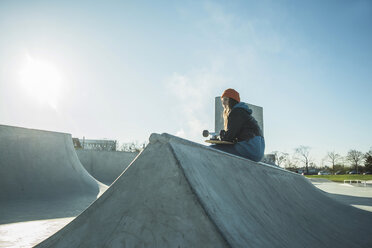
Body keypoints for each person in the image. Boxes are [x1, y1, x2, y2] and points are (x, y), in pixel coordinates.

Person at [211, 88, 265, 162]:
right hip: (259, 150)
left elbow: (229, 138)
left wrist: (222, 136)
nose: (223, 103)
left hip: (250, 147)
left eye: (226, 99)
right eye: (222, 100)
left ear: (232, 101)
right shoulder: (243, 113)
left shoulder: (236, 112)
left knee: (212, 149)